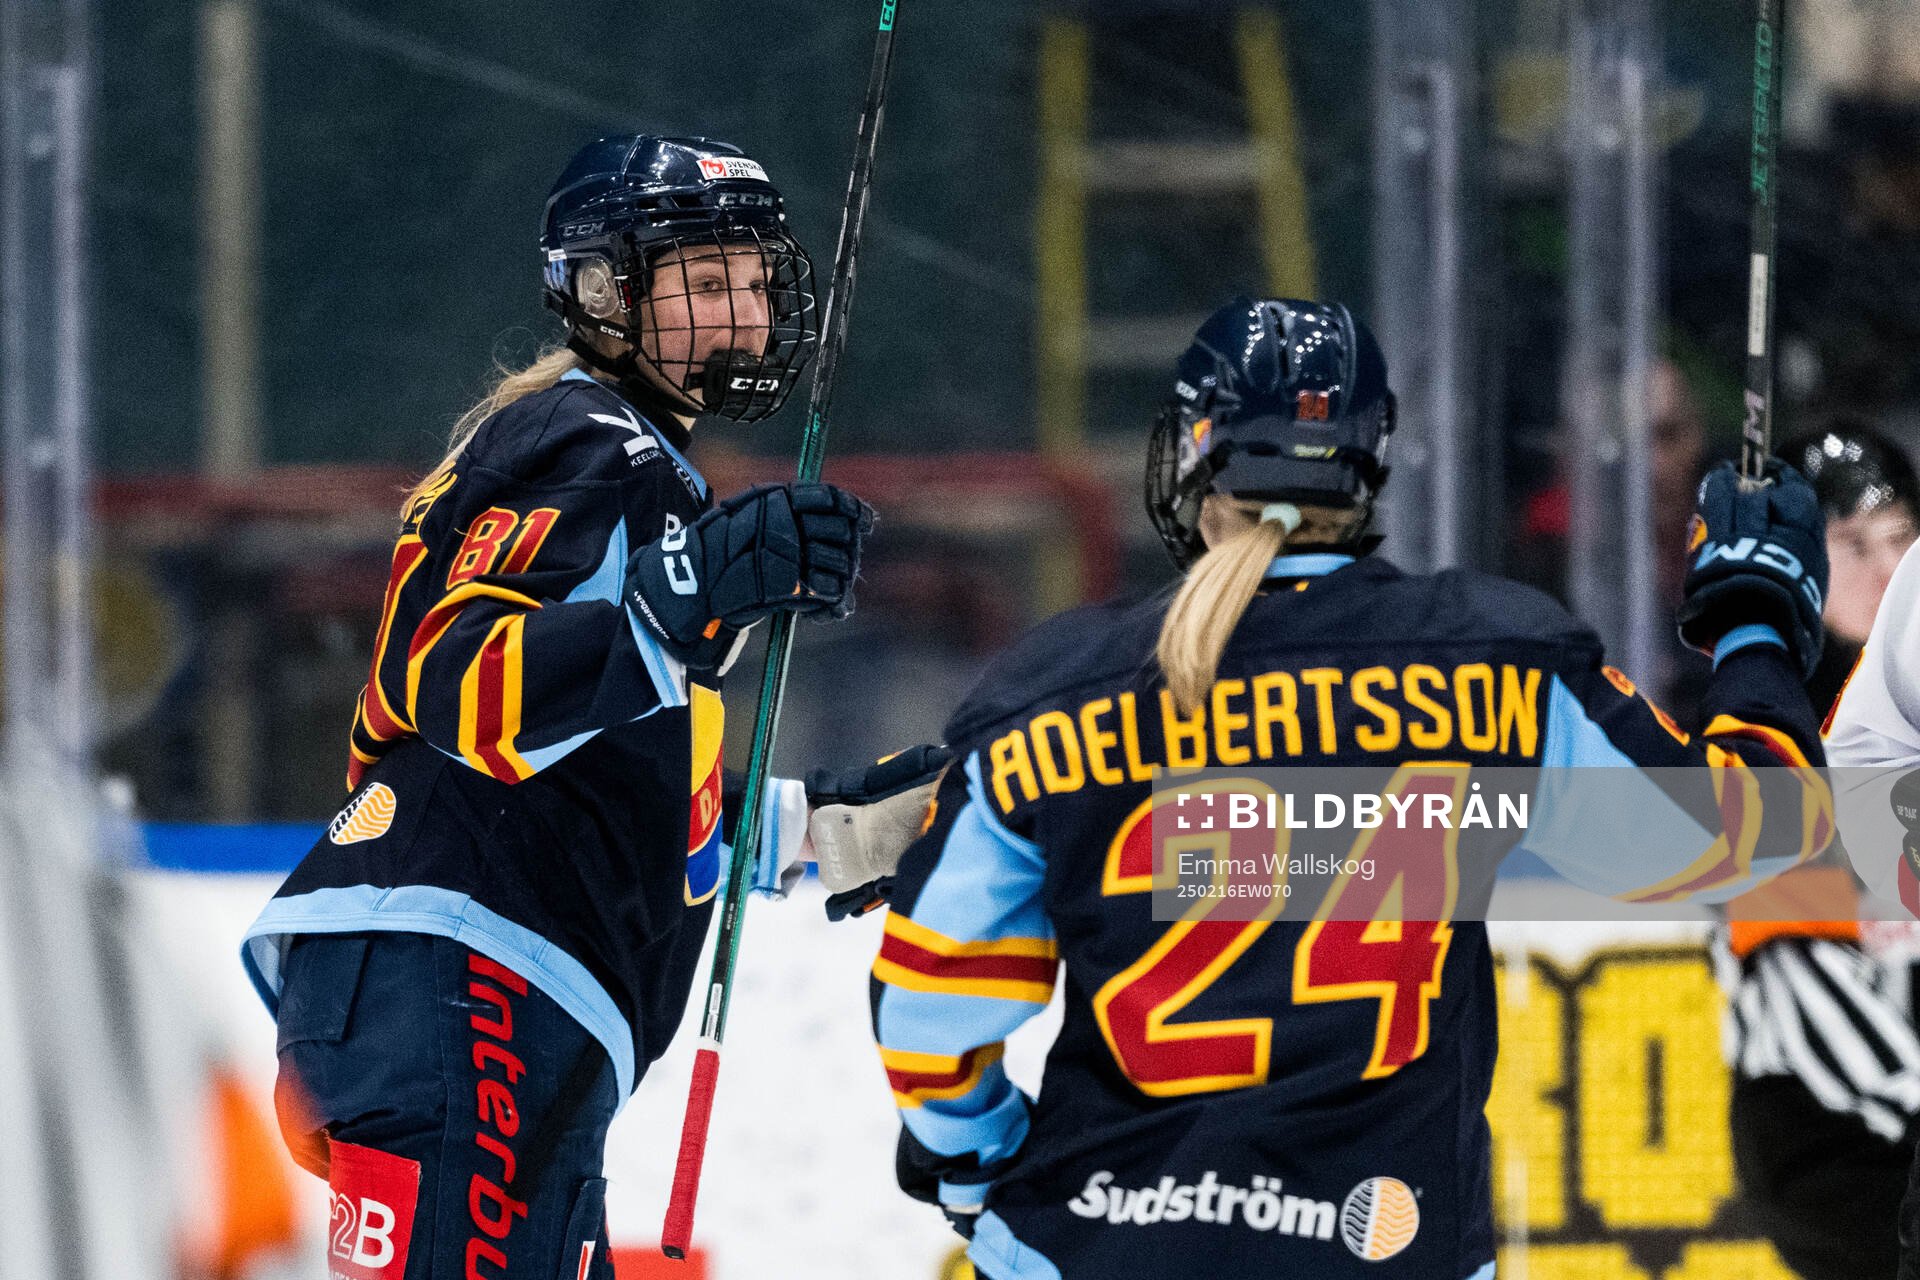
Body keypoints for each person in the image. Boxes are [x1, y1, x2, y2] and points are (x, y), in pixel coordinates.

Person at [863, 297, 1832, 1279]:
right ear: (1369, 460)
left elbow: (930, 996)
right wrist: (1752, 624)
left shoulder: (1052, 690)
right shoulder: (1491, 660)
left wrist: (970, 1163)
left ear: (1196, 451)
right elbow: (1750, 844)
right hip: (1389, 1247)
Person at [237, 136, 871, 1279]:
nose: (743, 311)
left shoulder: (643, 474)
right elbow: (457, 680)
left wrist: (833, 827)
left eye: (754, 282)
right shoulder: (589, 440)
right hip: (466, 968)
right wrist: (689, 592)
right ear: (605, 292)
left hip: (491, 987)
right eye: (706, 281)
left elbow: (620, 791)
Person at [1714, 421, 1920, 1280]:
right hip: (1832, 1145)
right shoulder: (1763, 728)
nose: (1885, 573)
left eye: (1903, 540)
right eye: (1850, 544)